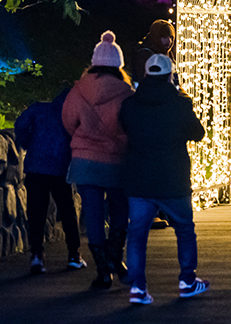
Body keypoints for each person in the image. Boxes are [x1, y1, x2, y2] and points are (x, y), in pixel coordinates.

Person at [119, 54, 208, 305]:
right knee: (184, 229)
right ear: (171, 75)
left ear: (146, 75)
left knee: (136, 235)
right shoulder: (180, 104)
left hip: (139, 179)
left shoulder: (130, 105)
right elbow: (198, 133)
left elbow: (124, 128)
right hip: (173, 178)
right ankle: (187, 281)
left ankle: (137, 288)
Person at [62, 31, 134, 289]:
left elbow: (69, 121)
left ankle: (103, 271)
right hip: (117, 161)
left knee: (92, 215)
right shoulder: (127, 92)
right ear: (119, 64)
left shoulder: (79, 90)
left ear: (93, 62)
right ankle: (117, 256)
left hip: (85, 161)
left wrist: (85, 141)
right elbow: (131, 126)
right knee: (120, 209)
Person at [15, 88, 86, 275]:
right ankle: (73, 255)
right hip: (60, 166)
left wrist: (28, 143)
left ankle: (37, 255)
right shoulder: (72, 115)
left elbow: (21, 123)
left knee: (36, 211)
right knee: (67, 210)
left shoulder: (40, 108)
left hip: (36, 166)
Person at [131, 19, 178, 229]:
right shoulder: (146, 55)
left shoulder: (164, 54)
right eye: (163, 36)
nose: (167, 41)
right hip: (150, 116)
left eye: (170, 37)